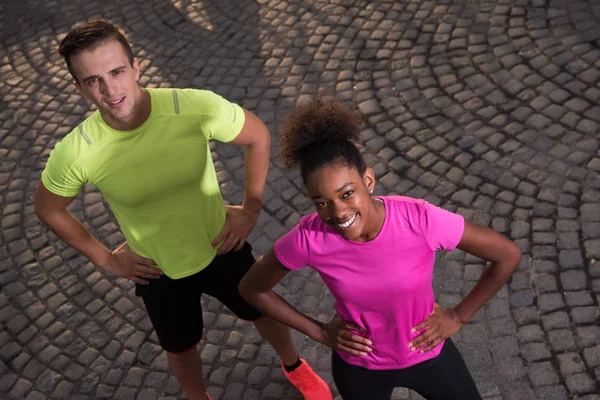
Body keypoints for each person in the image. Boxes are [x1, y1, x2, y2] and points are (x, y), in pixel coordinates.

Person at [33, 19, 332, 400]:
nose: (109, 90)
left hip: (220, 243)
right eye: (93, 80)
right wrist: (104, 259)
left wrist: (250, 209)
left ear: (136, 67)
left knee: (263, 311)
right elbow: (48, 208)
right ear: (79, 88)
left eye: (116, 71)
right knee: (180, 347)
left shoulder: (189, 106)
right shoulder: (76, 151)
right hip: (157, 269)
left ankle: (293, 364)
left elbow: (257, 135)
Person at [239, 94, 522, 400]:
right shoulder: (310, 237)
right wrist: (319, 332)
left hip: (428, 355)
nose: (338, 213)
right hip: (359, 370)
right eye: (321, 203)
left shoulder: (419, 219)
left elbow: (506, 255)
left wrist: (459, 315)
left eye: (347, 193)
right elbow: (252, 288)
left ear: (368, 180)